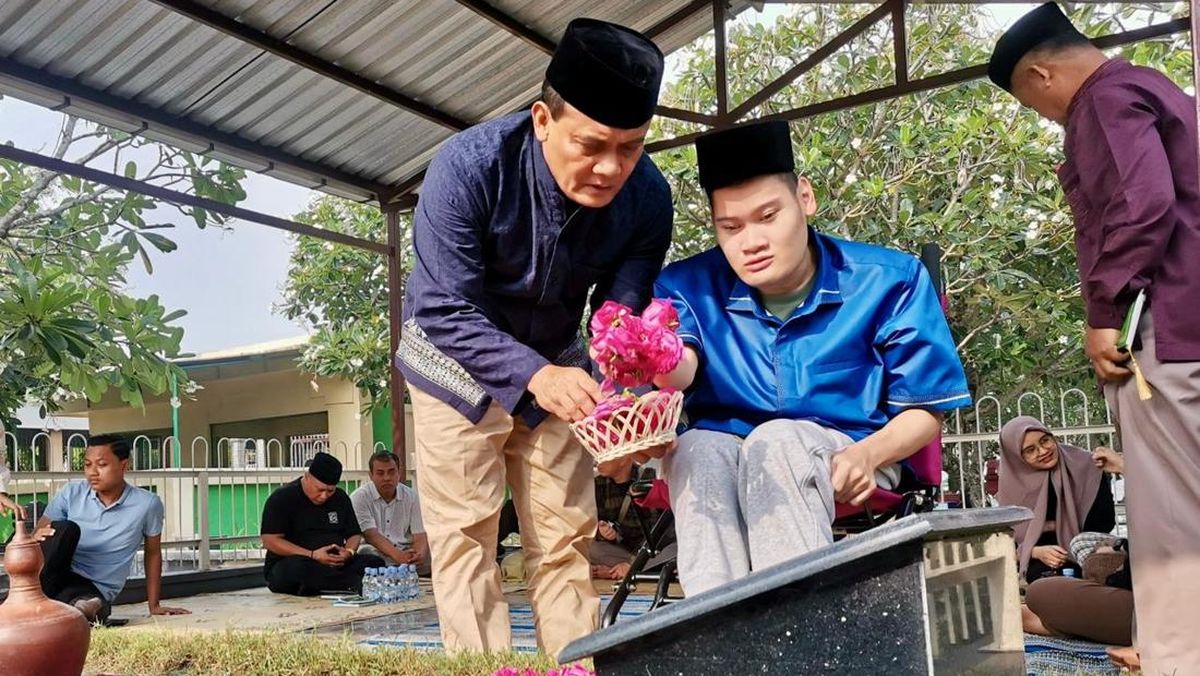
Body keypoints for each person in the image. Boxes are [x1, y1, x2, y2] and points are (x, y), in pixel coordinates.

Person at [394, 18, 672, 656]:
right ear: (543, 120)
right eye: (592, 145)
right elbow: (442, 306)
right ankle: (484, 671)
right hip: (452, 365)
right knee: (466, 536)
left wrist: (618, 412)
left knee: (566, 536)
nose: (610, 169)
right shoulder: (467, 166)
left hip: (560, 368)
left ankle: (575, 668)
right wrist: (536, 376)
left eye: (630, 148)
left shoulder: (649, 198)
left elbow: (619, 322)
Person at [607, 120, 971, 596]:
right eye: (730, 227)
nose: (750, 241)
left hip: (851, 449)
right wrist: (651, 353)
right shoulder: (685, 285)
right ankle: (719, 636)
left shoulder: (890, 279)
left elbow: (926, 411)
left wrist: (868, 454)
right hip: (725, 451)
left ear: (804, 198)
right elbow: (683, 366)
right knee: (694, 449)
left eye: (768, 216)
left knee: (776, 442)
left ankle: (798, 636)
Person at [989, 5, 1200, 670]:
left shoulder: (1102, 101)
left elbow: (1142, 204)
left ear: (1042, 75)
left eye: (1035, 104)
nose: (1048, 117)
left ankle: (1178, 659)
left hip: (1164, 325)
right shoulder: (1157, 89)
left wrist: (1105, 311)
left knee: (1173, 526)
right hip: (1189, 319)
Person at [32, 434, 189, 622]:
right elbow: (37, 536)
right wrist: (36, 538)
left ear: (123, 466)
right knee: (65, 529)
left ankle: (71, 608)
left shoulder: (147, 504)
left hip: (95, 586)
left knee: (86, 606)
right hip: (53, 573)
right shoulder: (71, 493)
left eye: (102, 465)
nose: (92, 472)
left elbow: (153, 553)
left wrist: (154, 605)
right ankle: (30, 598)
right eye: (88, 464)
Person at [996, 416, 1120, 583]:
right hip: (1038, 562)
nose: (1043, 451)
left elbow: (1104, 523)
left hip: (1086, 552)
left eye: (1045, 440)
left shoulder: (1086, 465)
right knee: (1045, 581)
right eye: (1030, 450)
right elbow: (1005, 544)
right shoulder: (1011, 486)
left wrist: (1056, 526)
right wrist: (1036, 551)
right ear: (1017, 457)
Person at [259, 453, 384, 596]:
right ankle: (351, 584)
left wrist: (348, 552)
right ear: (307, 477)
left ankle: (335, 584)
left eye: (330, 491)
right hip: (298, 561)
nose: (324, 496)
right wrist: (312, 555)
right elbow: (270, 540)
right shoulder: (282, 498)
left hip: (334, 563)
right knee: (298, 569)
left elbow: (354, 534)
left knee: (374, 562)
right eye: (320, 489)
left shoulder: (340, 498)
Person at [349, 451, 430, 576]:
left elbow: (419, 535)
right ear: (371, 475)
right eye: (380, 473)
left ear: (399, 473)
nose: (386, 478)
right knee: (369, 556)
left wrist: (417, 556)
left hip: (405, 551)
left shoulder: (412, 497)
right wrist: (399, 557)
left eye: (391, 472)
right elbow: (371, 535)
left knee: (435, 554)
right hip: (375, 551)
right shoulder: (359, 497)